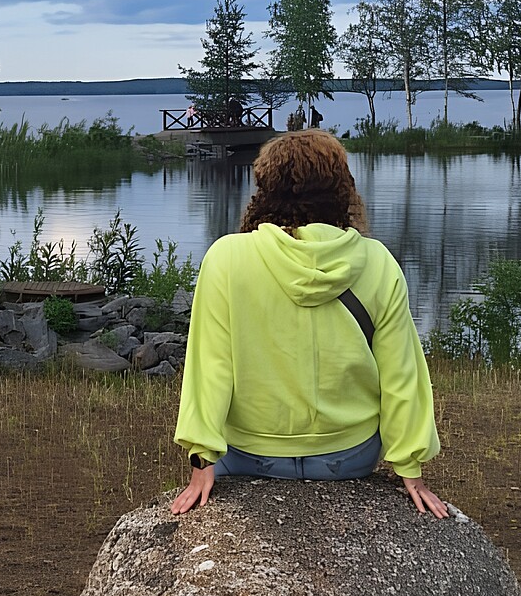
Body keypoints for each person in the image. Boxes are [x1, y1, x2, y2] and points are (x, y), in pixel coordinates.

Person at [171, 129, 447, 519]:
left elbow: (210, 366)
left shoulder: (226, 258)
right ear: (340, 189)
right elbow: (401, 375)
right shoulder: (377, 261)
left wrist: (201, 462)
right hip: (347, 456)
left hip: (251, 453)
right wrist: (411, 468)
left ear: (265, 188)